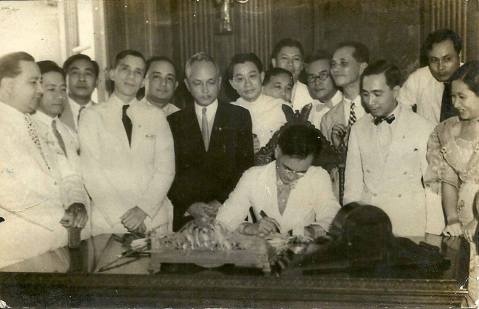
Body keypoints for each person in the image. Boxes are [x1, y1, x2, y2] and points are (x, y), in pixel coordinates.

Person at [0, 52, 87, 268]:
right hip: (18, 255)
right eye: (33, 82)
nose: (40, 90)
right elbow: (9, 193)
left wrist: (76, 204)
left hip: (54, 244)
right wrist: (62, 216)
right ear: (8, 86)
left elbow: (67, 175)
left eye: (40, 82)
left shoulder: (35, 125)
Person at [79, 50, 175, 236]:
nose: (132, 76)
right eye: (125, 69)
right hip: (109, 222)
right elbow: (92, 174)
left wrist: (142, 211)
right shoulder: (92, 116)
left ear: (143, 80)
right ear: (111, 73)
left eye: (138, 72)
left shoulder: (156, 116)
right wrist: (123, 217)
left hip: (152, 219)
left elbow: (166, 170)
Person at [344, 60, 435, 237]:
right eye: (365, 94)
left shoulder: (423, 127)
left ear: (395, 91)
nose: (370, 102)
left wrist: (432, 233)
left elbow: (433, 187)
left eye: (377, 94)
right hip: (370, 225)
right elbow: (352, 186)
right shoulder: (358, 128)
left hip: (409, 225)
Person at [167, 52, 254, 231]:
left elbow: (245, 168)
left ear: (220, 82)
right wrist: (190, 205)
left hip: (230, 210)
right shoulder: (174, 121)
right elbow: (169, 173)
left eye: (211, 82)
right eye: (197, 83)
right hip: (188, 215)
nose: (205, 89)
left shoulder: (239, 116)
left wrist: (221, 201)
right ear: (187, 85)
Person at [216, 124, 340, 237]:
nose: (292, 177)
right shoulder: (253, 176)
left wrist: (311, 231)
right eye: (287, 169)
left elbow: (334, 218)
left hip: (302, 255)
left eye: (301, 172)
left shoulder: (318, 176)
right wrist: (250, 228)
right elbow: (224, 219)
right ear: (277, 152)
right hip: (264, 254)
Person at [425, 60, 479, 304]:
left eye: (462, 97)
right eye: (452, 97)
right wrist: (453, 219)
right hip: (462, 225)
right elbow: (449, 180)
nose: (455, 103)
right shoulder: (449, 130)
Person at [398, 29, 461, 125]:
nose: (440, 67)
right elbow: (399, 109)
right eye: (434, 60)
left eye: (447, 59)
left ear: (459, 55)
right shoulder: (419, 78)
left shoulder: (473, 78)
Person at [228, 53, 287, 151]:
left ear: (262, 76)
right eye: (240, 79)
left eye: (252, 76)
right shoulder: (228, 112)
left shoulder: (280, 107)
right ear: (233, 83)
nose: (247, 84)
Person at [321, 41, 369, 146]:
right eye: (333, 64)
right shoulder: (327, 119)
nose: (335, 69)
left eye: (344, 63)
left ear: (362, 67)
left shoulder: (377, 109)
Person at [304, 50, 343, 131]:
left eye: (323, 75)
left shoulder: (348, 106)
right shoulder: (308, 111)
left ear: (334, 74)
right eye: (312, 77)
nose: (317, 82)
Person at [271, 38, 313, 111]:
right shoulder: (262, 93)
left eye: (296, 59)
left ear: (302, 65)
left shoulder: (312, 96)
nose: (290, 64)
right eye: (284, 58)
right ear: (274, 63)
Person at [61, 54, 99, 131]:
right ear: (65, 79)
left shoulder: (106, 115)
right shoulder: (55, 112)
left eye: (88, 73)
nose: (82, 78)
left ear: (97, 82)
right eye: (75, 73)